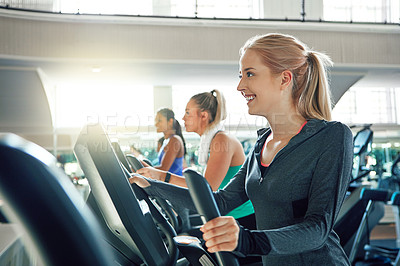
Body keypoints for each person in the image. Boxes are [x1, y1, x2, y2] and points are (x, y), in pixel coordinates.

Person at [130, 33, 353, 265]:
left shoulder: (331, 136)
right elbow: (221, 201)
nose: (240, 86)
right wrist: (153, 187)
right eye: (241, 75)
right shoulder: (262, 144)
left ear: (284, 79)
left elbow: (318, 228)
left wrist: (247, 241)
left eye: (250, 74)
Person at [137, 90, 256, 230]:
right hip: (225, 218)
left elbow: (207, 187)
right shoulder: (211, 140)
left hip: (242, 220)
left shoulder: (222, 140)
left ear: (203, 115)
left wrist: (161, 176)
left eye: (187, 113)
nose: (183, 118)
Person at [153, 108, 186, 176]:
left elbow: (163, 169)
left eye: (159, 121)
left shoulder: (174, 140)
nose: (156, 124)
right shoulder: (166, 141)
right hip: (167, 184)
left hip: (175, 185)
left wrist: (142, 168)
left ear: (170, 121)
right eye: (156, 121)